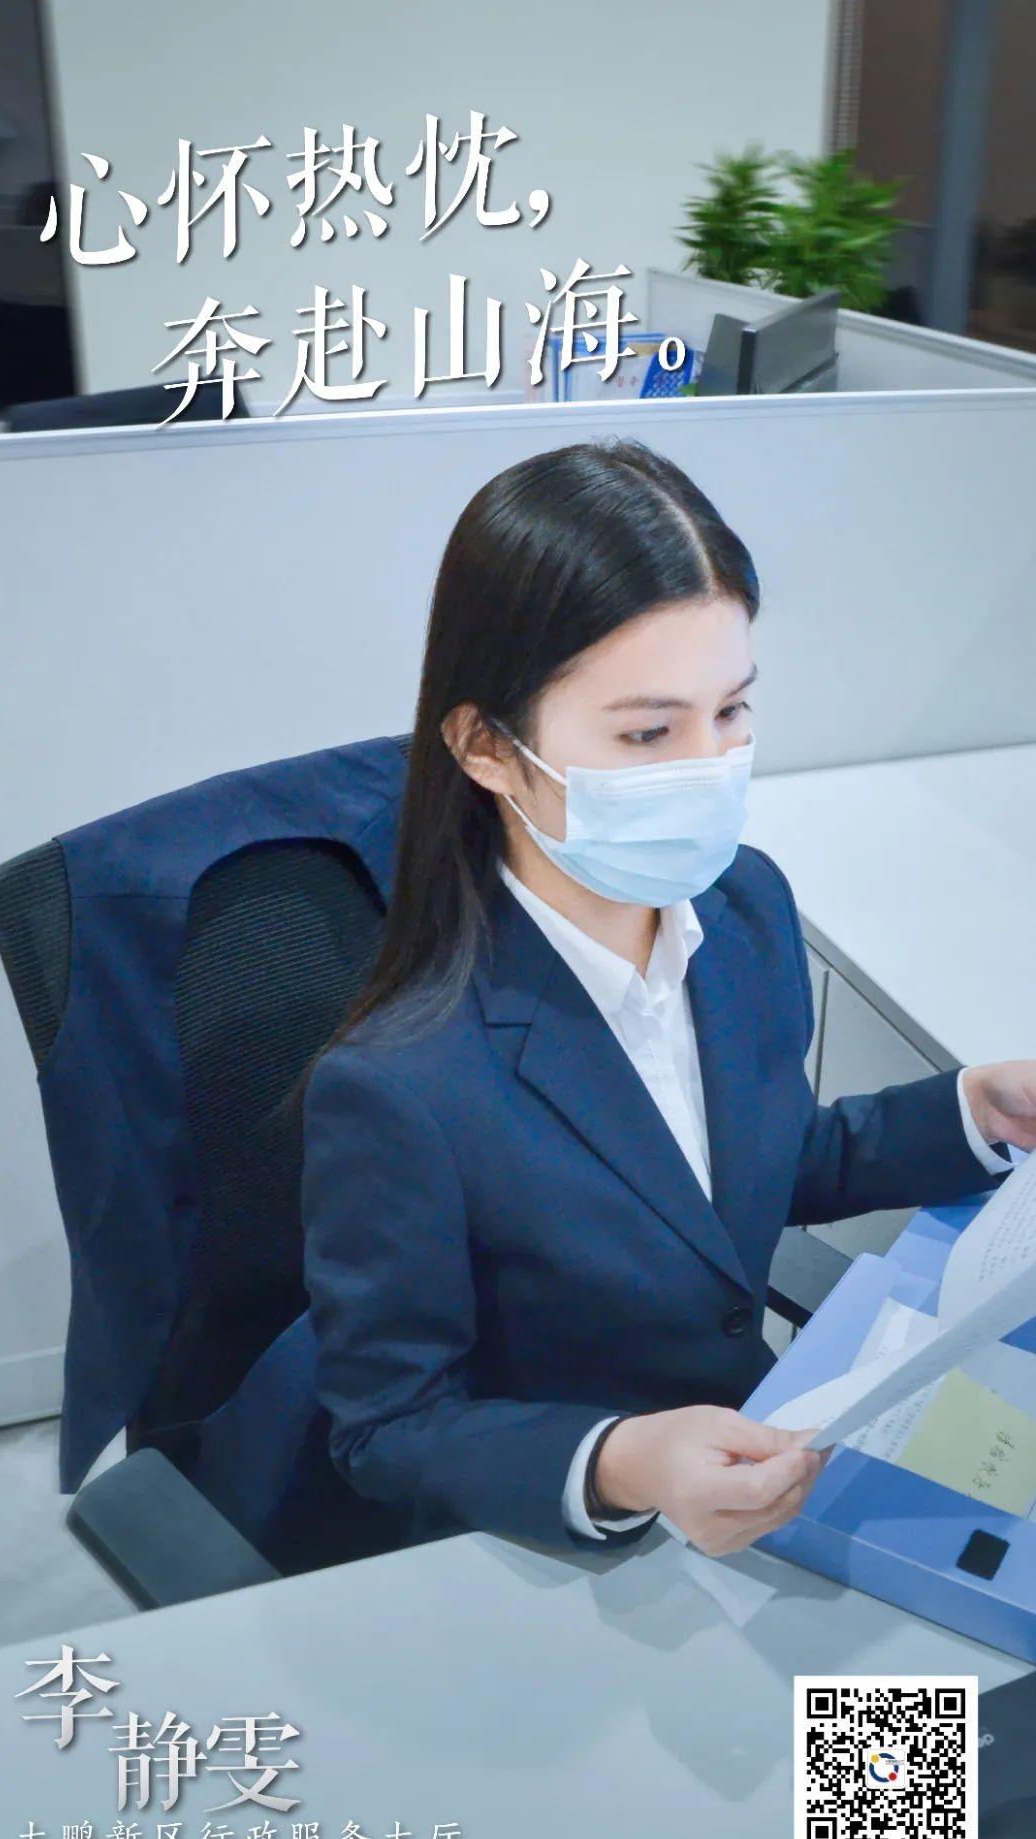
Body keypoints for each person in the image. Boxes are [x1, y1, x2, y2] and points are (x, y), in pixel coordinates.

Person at [299, 435, 1034, 1560]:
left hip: (767, 1458)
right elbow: (388, 1429)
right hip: (584, 1544)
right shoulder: (402, 1084)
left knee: (977, 1621)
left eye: (730, 712)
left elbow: (747, 1173)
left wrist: (971, 1112)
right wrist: (620, 1463)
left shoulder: (743, 908)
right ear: (486, 747)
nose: (708, 765)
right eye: (649, 732)